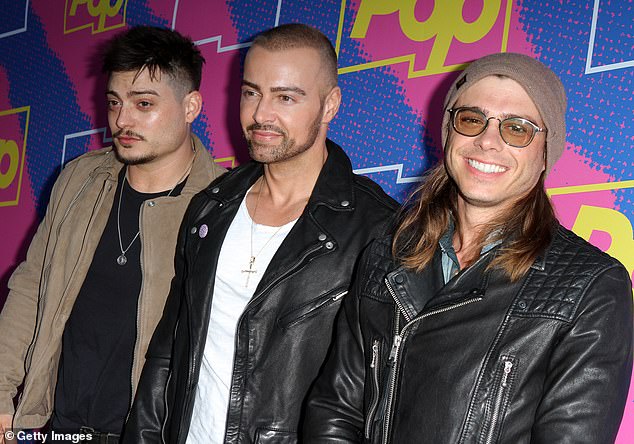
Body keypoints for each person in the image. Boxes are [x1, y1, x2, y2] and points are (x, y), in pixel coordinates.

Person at [303, 52, 633, 443]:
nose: (488, 141)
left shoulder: (590, 287)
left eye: (518, 128)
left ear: (546, 151)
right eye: (472, 119)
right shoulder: (384, 255)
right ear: (449, 133)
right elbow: (335, 413)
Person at [123, 23, 397, 443]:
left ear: (330, 105)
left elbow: (373, 398)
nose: (261, 114)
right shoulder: (212, 206)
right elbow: (168, 349)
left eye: (286, 97)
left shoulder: (378, 229)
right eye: (251, 92)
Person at [0, 25, 225, 443]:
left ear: (191, 105)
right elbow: (32, 286)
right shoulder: (81, 179)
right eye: (114, 102)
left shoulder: (221, 205)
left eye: (144, 104)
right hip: (55, 428)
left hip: (148, 433)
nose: (123, 120)